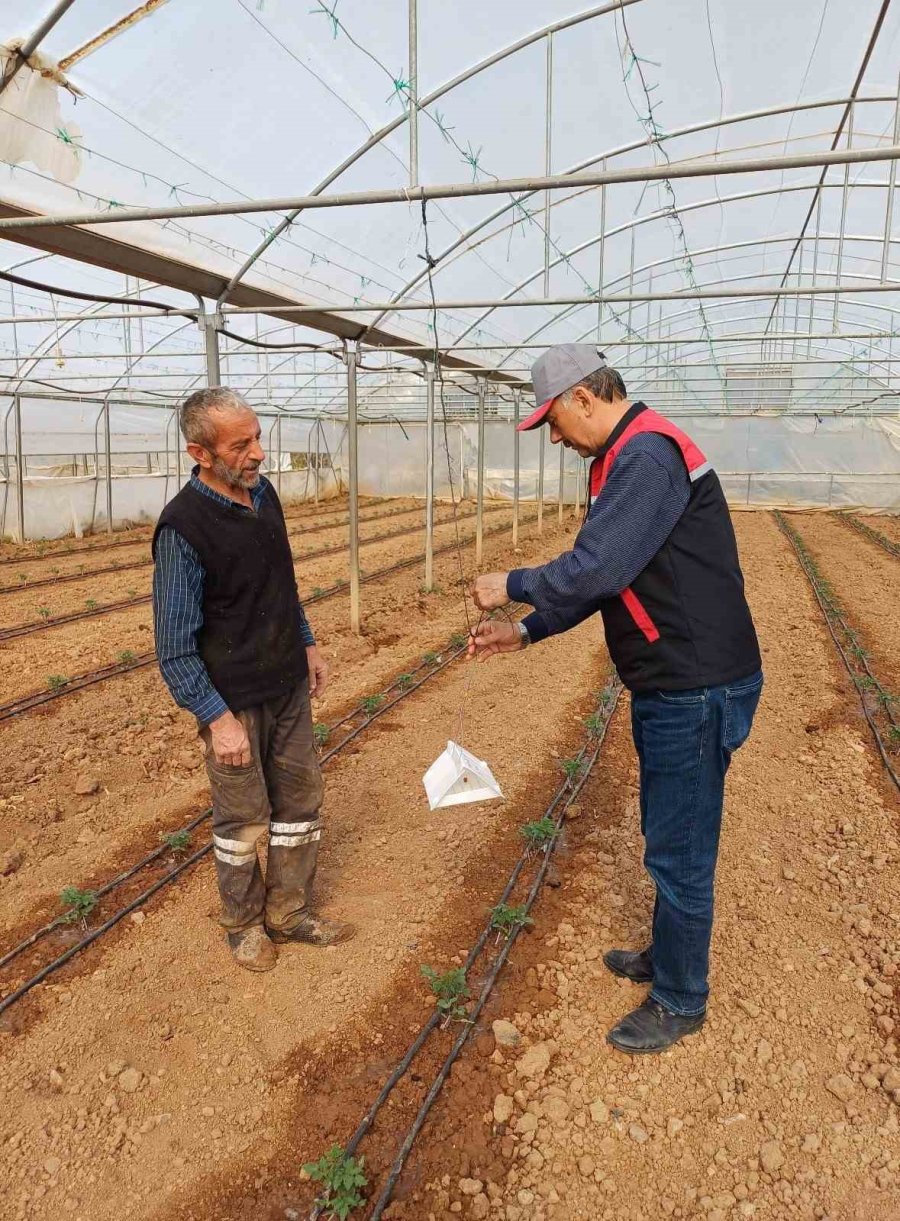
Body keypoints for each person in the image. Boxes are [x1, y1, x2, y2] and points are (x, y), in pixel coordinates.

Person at [469, 344, 762, 1053]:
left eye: (555, 423)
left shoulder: (646, 455)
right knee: (670, 833)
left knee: (681, 849)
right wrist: (528, 631)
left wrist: (512, 582)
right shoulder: (625, 456)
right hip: (676, 680)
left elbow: (595, 566)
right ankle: (669, 957)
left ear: (584, 397)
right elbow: (609, 579)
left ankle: (681, 998)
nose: (557, 439)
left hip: (693, 684)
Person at [152, 387, 354, 972]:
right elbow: (173, 648)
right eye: (242, 445)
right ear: (201, 452)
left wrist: (308, 642)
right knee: (242, 820)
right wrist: (217, 720)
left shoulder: (264, 496)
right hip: (232, 700)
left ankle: (287, 913)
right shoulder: (182, 529)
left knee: (299, 801)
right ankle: (241, 924)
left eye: (258, 437)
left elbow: (281, 586)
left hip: (287, 680)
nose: (259, 453)